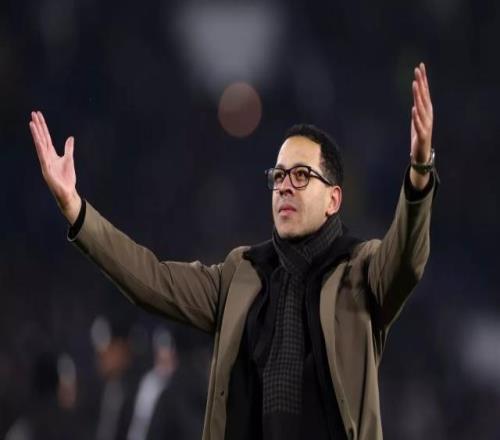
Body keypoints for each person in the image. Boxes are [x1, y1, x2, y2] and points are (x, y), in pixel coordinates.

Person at [29, 62, 438, 440]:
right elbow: (151, 279)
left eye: (301, 175)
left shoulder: (360, 270)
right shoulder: (241, 272)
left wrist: (419, 174)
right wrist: (76, 210)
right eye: (279, 176)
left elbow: (406, 259)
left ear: (334, 199)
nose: (284, 186)